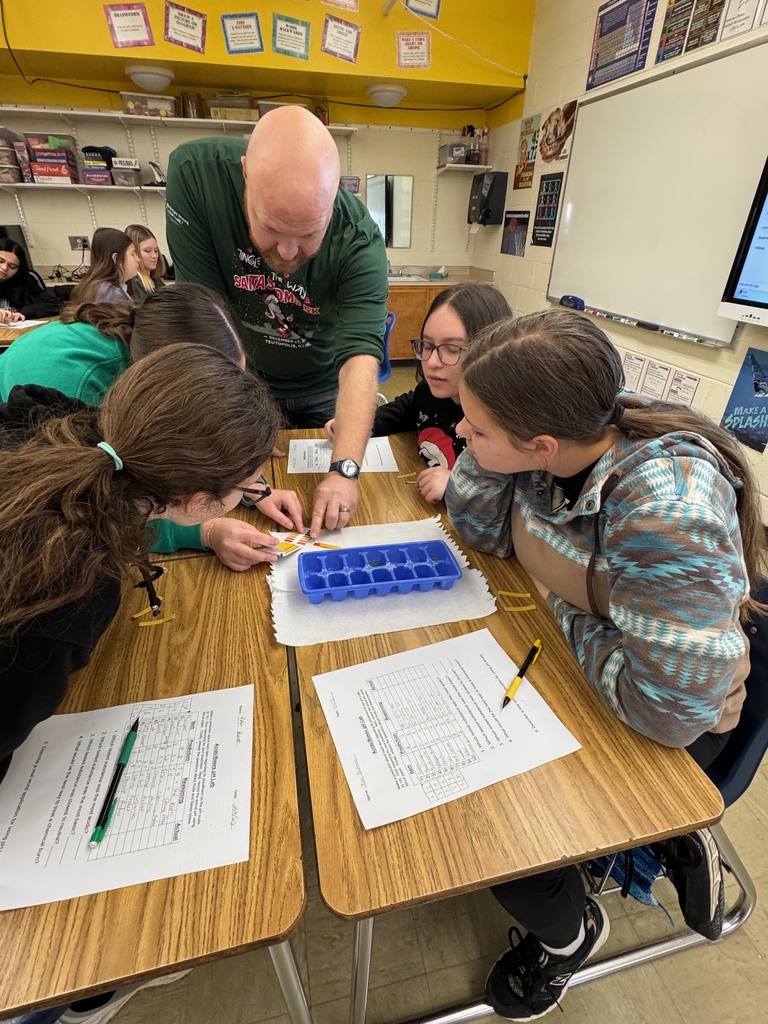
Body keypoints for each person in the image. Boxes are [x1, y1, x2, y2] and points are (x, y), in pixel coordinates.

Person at [444, 309, 766, 1020]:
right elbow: (477, 528)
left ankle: (570, 934)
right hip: (615, 668)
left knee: (496, 837)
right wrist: (580, 587)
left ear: (543, 443)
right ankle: (663, 845)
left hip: (671, 716)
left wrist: (559, 595)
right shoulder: (554, 448)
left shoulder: (664, 508)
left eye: (476, 429)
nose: (458, 434)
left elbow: (669, 715)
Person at [0, 343, 282, 1024]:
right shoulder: (70, 589)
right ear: (190, 496)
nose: (253, 499)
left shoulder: (54, 425)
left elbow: (115, 506)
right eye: (247, 490)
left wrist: (202, 532)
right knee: (43, 965)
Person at [165, 105, 388, 534]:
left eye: (309, 234)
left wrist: (344, 471)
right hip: (242, 379)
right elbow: (207, 331)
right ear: (246, 174)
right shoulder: (196, 175)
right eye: (271, 227)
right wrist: (243, 444)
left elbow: (361, 358)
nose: (288, 254)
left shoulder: (360, 241)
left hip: (323, 387)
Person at [0, 283, 303, 571]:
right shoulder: (75, 392)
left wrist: (250, 486)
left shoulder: (145, 345)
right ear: (169, 376)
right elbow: (99, 498)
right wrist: (204, 532)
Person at [326, 282, 512, 503]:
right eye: (427, 345)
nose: (432, 362)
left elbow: (507, 502)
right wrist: (354, 425)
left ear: (491, 351)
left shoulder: (503, 427)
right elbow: (403, 409)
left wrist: (456, 487)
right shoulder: (429, 394)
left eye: (452, 350)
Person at [70, 228, 141, 305]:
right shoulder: (112, 295)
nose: (138, 259)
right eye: (132, 254)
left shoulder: (95, 287)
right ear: (116, 259)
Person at [0, 237, 46, 320]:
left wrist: (24, 313)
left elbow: (55, 304)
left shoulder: (25, 281)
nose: (4, 268)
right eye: (0, 261)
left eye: (12, 266)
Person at [124, 223, 167, 300]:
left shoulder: (156, 280)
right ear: (134, 253)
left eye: (156, 251)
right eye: (147, 251)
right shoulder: (131, 284)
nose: (154, 256)